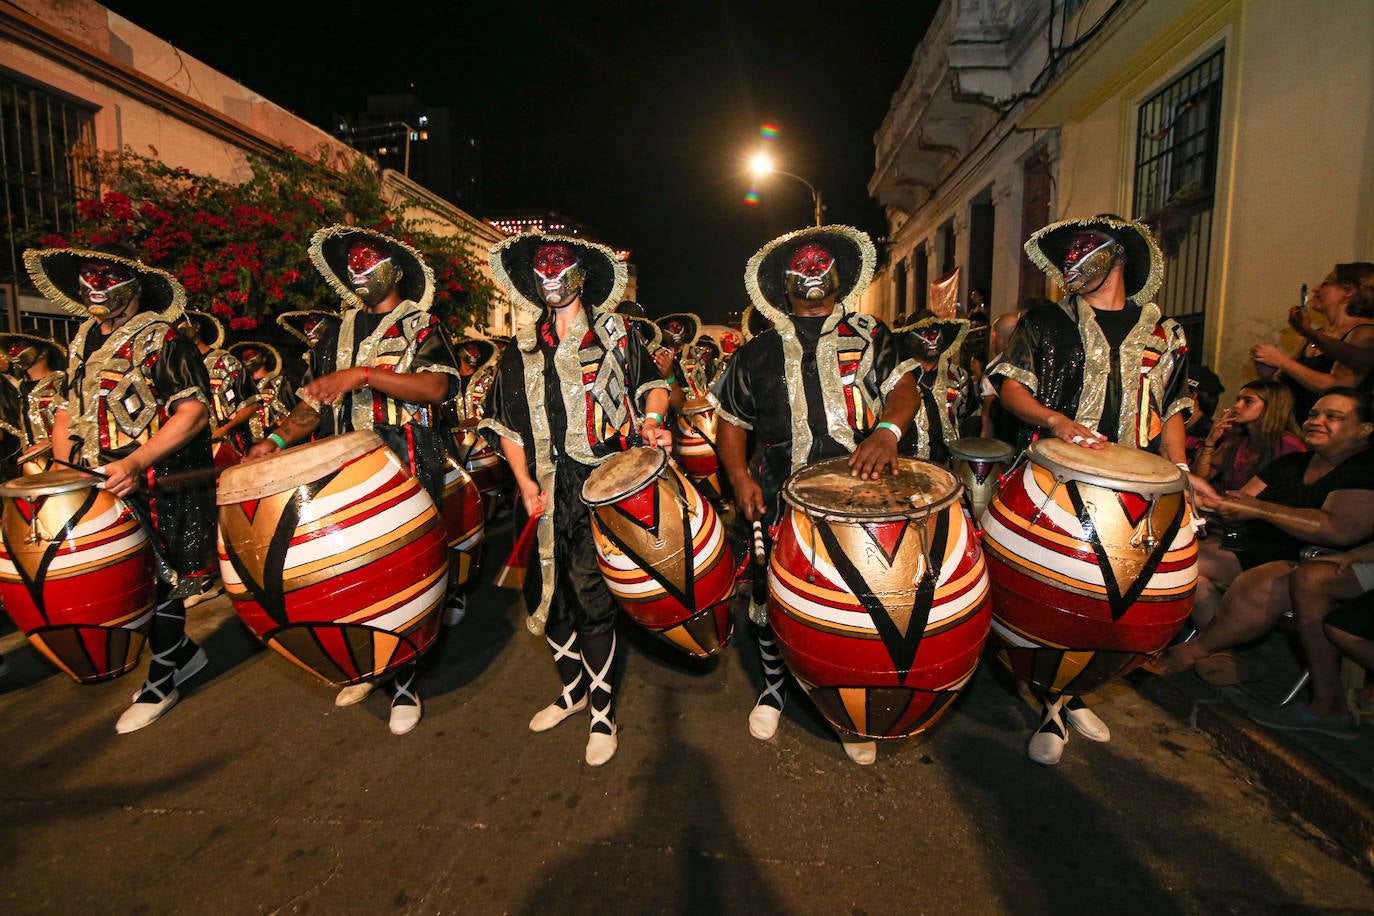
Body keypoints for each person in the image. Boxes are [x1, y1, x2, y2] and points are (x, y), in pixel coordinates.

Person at [711, 225, 921, 766]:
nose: (810, 277)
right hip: (778, 493)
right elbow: (731, 424)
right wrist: (739, 478)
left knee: (860, 602)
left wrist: (887, 432)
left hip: (864, 493)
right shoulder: (755, 352)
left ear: (839, 277)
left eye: (820, 267)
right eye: (799, 269)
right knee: (770, 592)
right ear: (782, 285)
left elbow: (903, 388)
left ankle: (850, 709)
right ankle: (775, 687)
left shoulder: (873, 333)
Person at [989, 214, 1190, 766]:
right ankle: (1056, 705)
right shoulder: (1046, 322)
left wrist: (1181, 470)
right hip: (1058, 481)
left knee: (1117, 603)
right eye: (1067, 254)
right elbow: (1010, 389)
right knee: (1057, 597)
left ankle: (1072, 691)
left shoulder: (1164, 333)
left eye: (1085, 249)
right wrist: (1054, 421)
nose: (1072, 262)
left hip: (1139, 490)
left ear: (1118, 255)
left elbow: (1172, 406)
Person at [247, 226, 462, 736]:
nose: (358, 268)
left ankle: (406, 679)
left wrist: (362, 376)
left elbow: (436, 387)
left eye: (369, 258)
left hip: (407, 462)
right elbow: (312, 402)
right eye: (352, 261)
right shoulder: (336, 333)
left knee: (403, 572)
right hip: (343, 472)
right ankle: (370, 661)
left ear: (394, 267)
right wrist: (276, 442)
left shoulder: (421, 324)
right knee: (354, 569)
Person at [480, 233, 671, 767]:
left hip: (600, 485)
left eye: (560, 265)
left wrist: (653, 420)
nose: (551, 276)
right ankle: (573, 691)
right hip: (540, 488)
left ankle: (603, 712)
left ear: (581, 273)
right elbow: (509, 427)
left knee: (591, 593)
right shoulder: (520, 346)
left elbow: (654, 386)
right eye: (541, 267)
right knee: (546, 592)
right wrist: (524, 484)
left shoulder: (617, 335)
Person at [24, 242, 215, 733]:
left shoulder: (165, 337)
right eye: (88, 277)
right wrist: (65, 471)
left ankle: (162, 680)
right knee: (125, 574)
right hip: (98, 481)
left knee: (164, 576)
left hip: (157, 478)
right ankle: (184, 656)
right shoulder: (83, 336)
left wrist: (135, 461)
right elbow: (67, 408)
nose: (94, 288)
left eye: (106, 277)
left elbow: (192, 412)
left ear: (133, 284)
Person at [1151, 388, 1374, 695]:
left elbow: (1338, 530)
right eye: (1313, 414)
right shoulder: (1293, 463)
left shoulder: (1364, 469)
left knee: (1261, 582)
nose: (1317, 421)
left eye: (1333, 417)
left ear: (1364, 430)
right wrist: (1215, 503)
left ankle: (1192, 652)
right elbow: (1240, 504)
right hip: (1257, 548)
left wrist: (1257, 509)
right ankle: (1232, 656)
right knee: (1180, 562)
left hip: (1318, 560)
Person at [1251, 263, 1374, 423]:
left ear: (1349, 291)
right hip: (1298, 425)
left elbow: (1338, 386)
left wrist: (1283, 361)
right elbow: (1289, 381)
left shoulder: (1365, 331)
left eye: (1326, 283)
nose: (1315, 289)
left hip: (1334, 430)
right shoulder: (1317, 335)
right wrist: (1269, 374)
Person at [1193, 380, 1304, 493]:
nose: (1237, 406)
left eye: (1248, 401)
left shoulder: (1287, 444)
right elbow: (1201, 479)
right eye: (1238, 400)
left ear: (1271, 406)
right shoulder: (1239, 438)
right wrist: (1210, 441)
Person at [979, 310, 1022, 443]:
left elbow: (988, 407)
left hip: (1005, 442)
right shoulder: (1031, 361)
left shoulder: (995, 368)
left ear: (994, 336)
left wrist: (984, 445)